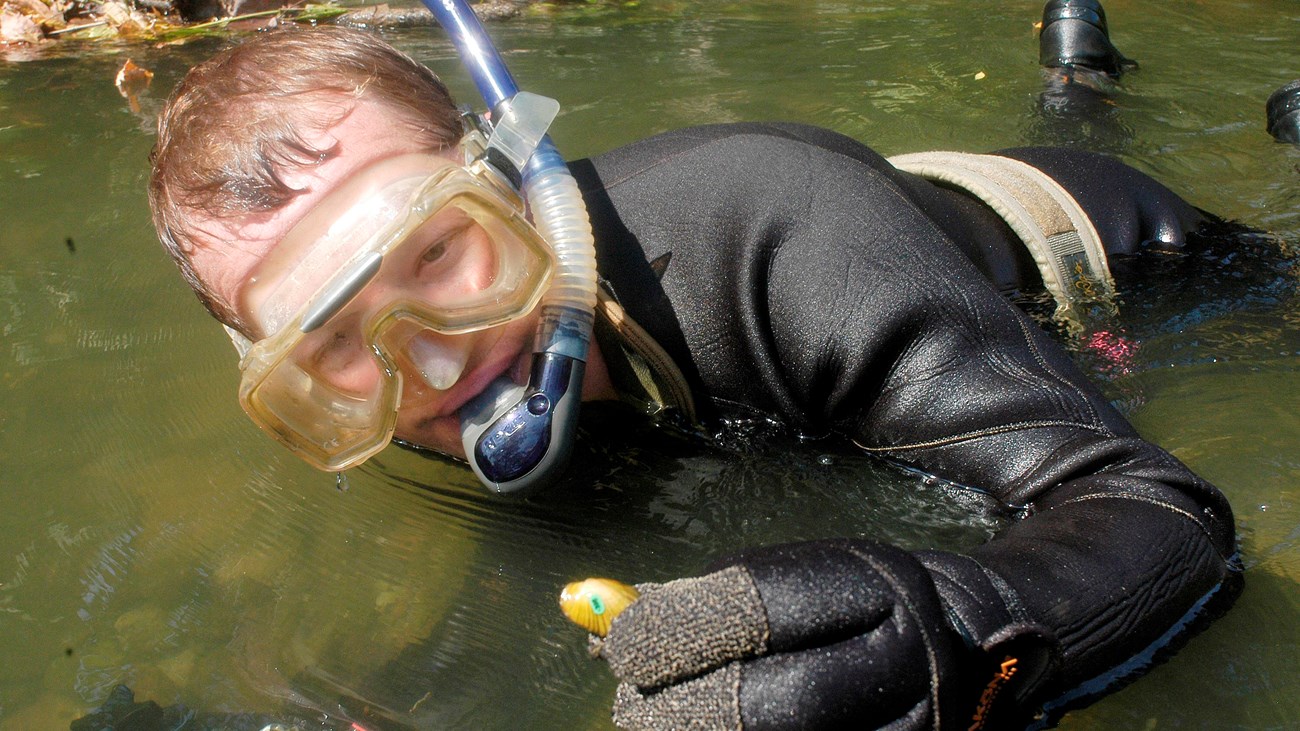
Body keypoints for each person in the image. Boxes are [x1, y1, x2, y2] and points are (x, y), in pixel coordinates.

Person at [145, 9, 1241, 730]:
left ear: (515, 180)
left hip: (1133, 257)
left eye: (439, 253)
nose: (434, 365)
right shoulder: (472, 393)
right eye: (337, 345)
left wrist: (959, 627)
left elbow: (1160, 511)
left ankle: (1078, 87)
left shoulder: (777, 233)